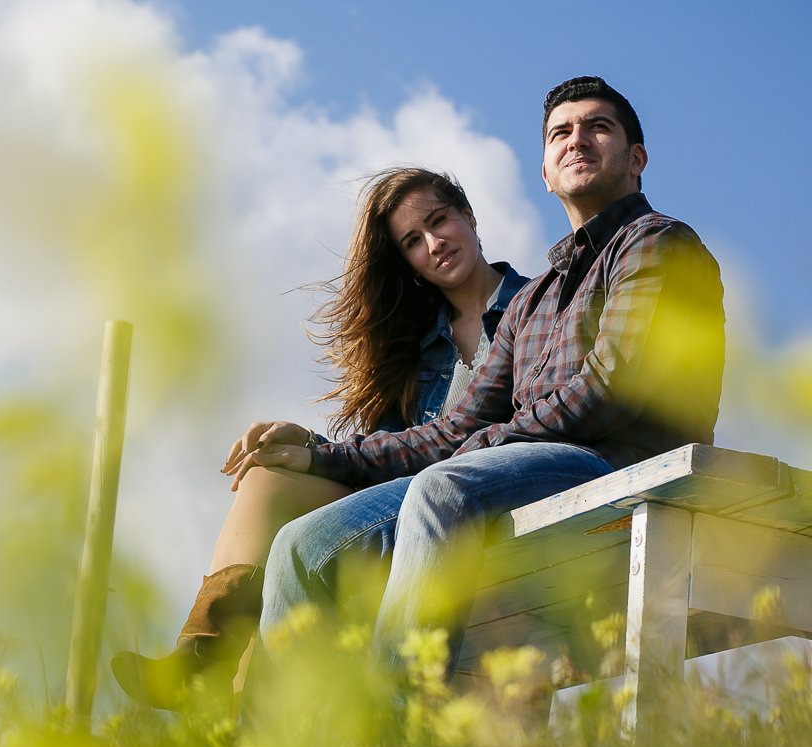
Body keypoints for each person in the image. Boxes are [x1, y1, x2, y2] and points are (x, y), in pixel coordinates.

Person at [257, 76, 726, 672]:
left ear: (636, 159)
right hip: (531, 472)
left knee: (444, 487)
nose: (576, 140)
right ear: (546, 175)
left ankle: (394, 730)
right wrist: (323, 457)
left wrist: (490, 442)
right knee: (303, 545)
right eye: (561, 133)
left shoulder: (656, 243)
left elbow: (615, 385)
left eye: (597, 127)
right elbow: (455, 429)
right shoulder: (534, 301)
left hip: (619, 462)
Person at [111, 167, 529, 708]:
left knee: (298, 544)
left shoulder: (536, 305)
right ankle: (204, 657)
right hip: (398, 504)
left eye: (439, 220)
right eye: (412, 241)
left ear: (468, 216)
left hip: (470, 499)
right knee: (266, 476)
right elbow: (386, 450)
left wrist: (320, 457)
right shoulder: (419, 349)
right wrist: (308, 446)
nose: (434, 244)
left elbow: (503, 432)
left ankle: (234, 716)